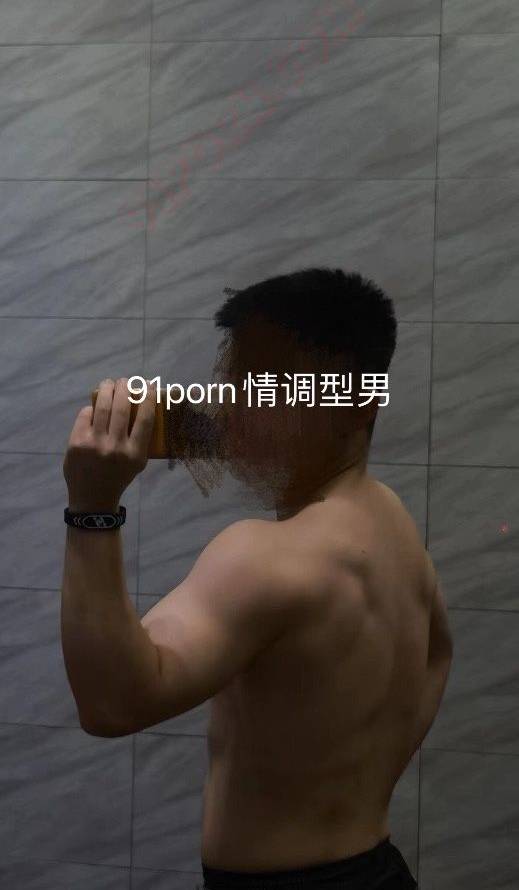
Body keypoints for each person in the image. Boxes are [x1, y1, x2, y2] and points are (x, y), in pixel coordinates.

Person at [140, 268, 454, 889]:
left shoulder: (262, 553)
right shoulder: (390, 524)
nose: (236, 408)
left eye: (272, 386)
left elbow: (113, 701)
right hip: (377, 870)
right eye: (235, 382)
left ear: (359, 402)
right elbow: (440, 652)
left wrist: (91, 510)